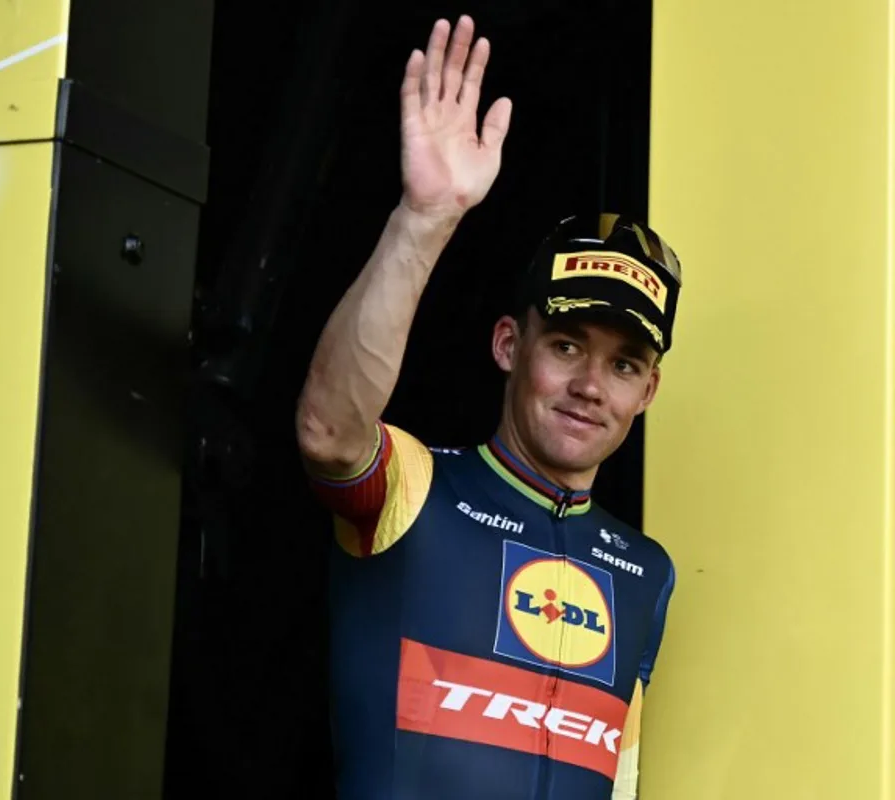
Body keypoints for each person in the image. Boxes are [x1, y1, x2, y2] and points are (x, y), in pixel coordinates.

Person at [294, 13, 682, 800]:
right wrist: (425, 219)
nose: (589, 386)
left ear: (647, 392)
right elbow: (330, 433)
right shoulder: (415, 490)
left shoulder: (647, 573)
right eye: (566, 346)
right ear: (510, 345)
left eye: (623, 364)